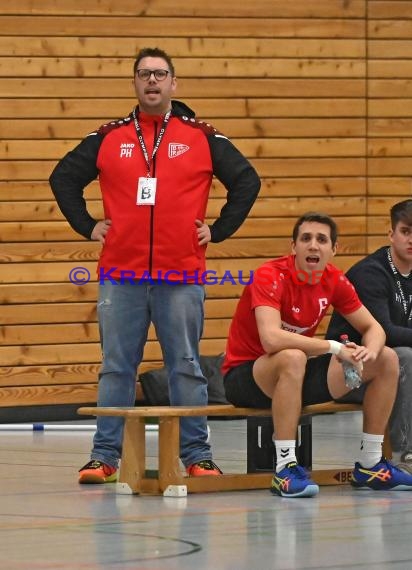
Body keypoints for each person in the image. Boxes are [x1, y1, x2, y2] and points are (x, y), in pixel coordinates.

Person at [49, 47, 260, 484]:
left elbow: (247, 180)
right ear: (134, 83)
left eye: (160, 74)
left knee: (185, 364)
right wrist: (88, 225)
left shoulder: (200, 135)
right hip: (121, 275)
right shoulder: (109, 137)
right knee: (116, 367)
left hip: (180, 274)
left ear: (173, 83)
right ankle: (104, 458)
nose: (152, 81)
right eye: (144, 74)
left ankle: (197, 456)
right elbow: (63, 177)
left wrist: (217, 231)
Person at [222, 211, 412, 498]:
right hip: (246, 377)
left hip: (293, 378)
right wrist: (335, 348)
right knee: (293, 356)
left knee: (387, 358)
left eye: (322, 240)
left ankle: (371, 463)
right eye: (306, 238)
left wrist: (367, 352)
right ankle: (285, 468)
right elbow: (271, 339)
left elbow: (373, 327)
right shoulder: (270, 275)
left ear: (333, 250)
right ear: (293, 246)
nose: (313, 245)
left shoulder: (334, 280)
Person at [327, 199, 412, 472]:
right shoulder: (370, 273)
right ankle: (405, 453)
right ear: (391, 234)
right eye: (406, 231)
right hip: (350, 372)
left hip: (391, 372)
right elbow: (385, 332)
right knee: (403, 356)